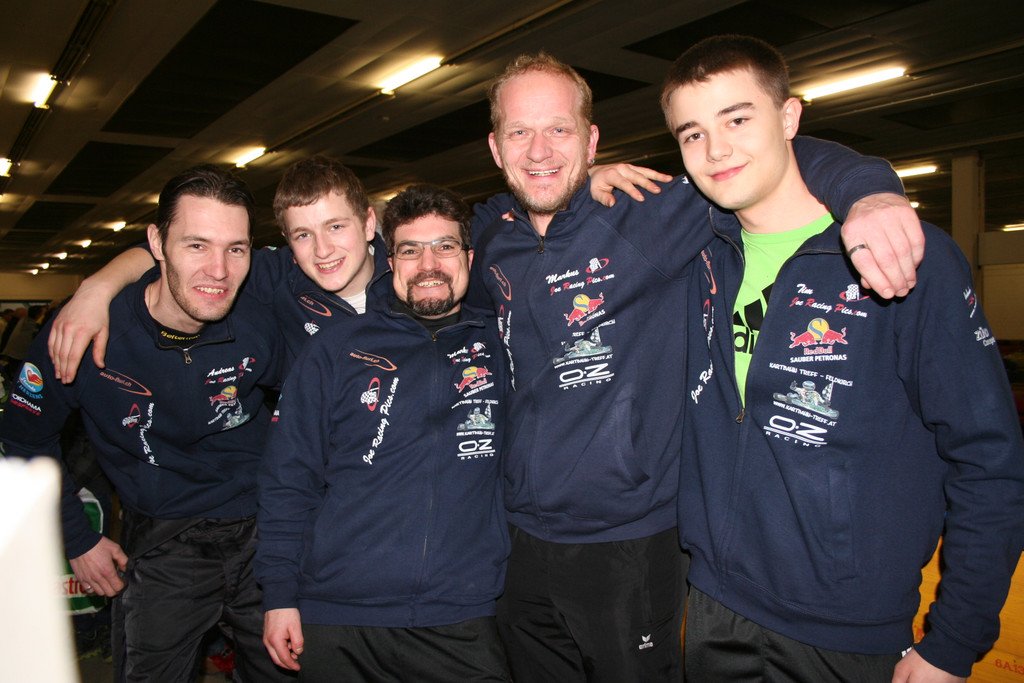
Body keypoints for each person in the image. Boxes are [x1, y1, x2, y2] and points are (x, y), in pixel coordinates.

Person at [468, 51, 924, 682]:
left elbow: (770, 158)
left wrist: (871, 192)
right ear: (496, 148)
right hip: (519, 537)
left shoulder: (647, 215)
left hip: (629, 542)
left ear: (591, 140)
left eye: (559, 130)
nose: (539, 149)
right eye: (520, 131)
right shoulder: (493, 238)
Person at [664, 35, 1024, 682]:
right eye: (692, 133)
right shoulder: (698, 257)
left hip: (848, 632)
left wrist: (954, 641)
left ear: (789, 117)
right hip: (716, 608)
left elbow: (989, 459)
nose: (715, 149)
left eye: (737, 119)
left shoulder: (902, 256)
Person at [0, 165, 293, 682]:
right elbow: (24, 439)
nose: (219, 271)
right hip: (164, 538)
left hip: (262, 531)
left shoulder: (261, 318)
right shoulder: (84, 333)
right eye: (196, 245)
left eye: (236, 249)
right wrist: (77, 538)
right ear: (156, 243)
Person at [256, 184, 510, 682]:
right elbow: (288, 479)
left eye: (445, 246)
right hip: (338, 618)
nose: (428, 264)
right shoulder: (334, 350)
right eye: (410, 250)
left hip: (461, 615)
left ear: (468, 257)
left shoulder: (500, 347)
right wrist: (279, 595)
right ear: (390, 262)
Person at [46, 155, 389, 382]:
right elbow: (173, 252)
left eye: (336, 227)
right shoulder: (276, 275)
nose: (323, 250)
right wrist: (97, 288)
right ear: (288, 241)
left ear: (368, 223)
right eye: (303, 235)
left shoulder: (409, 278)